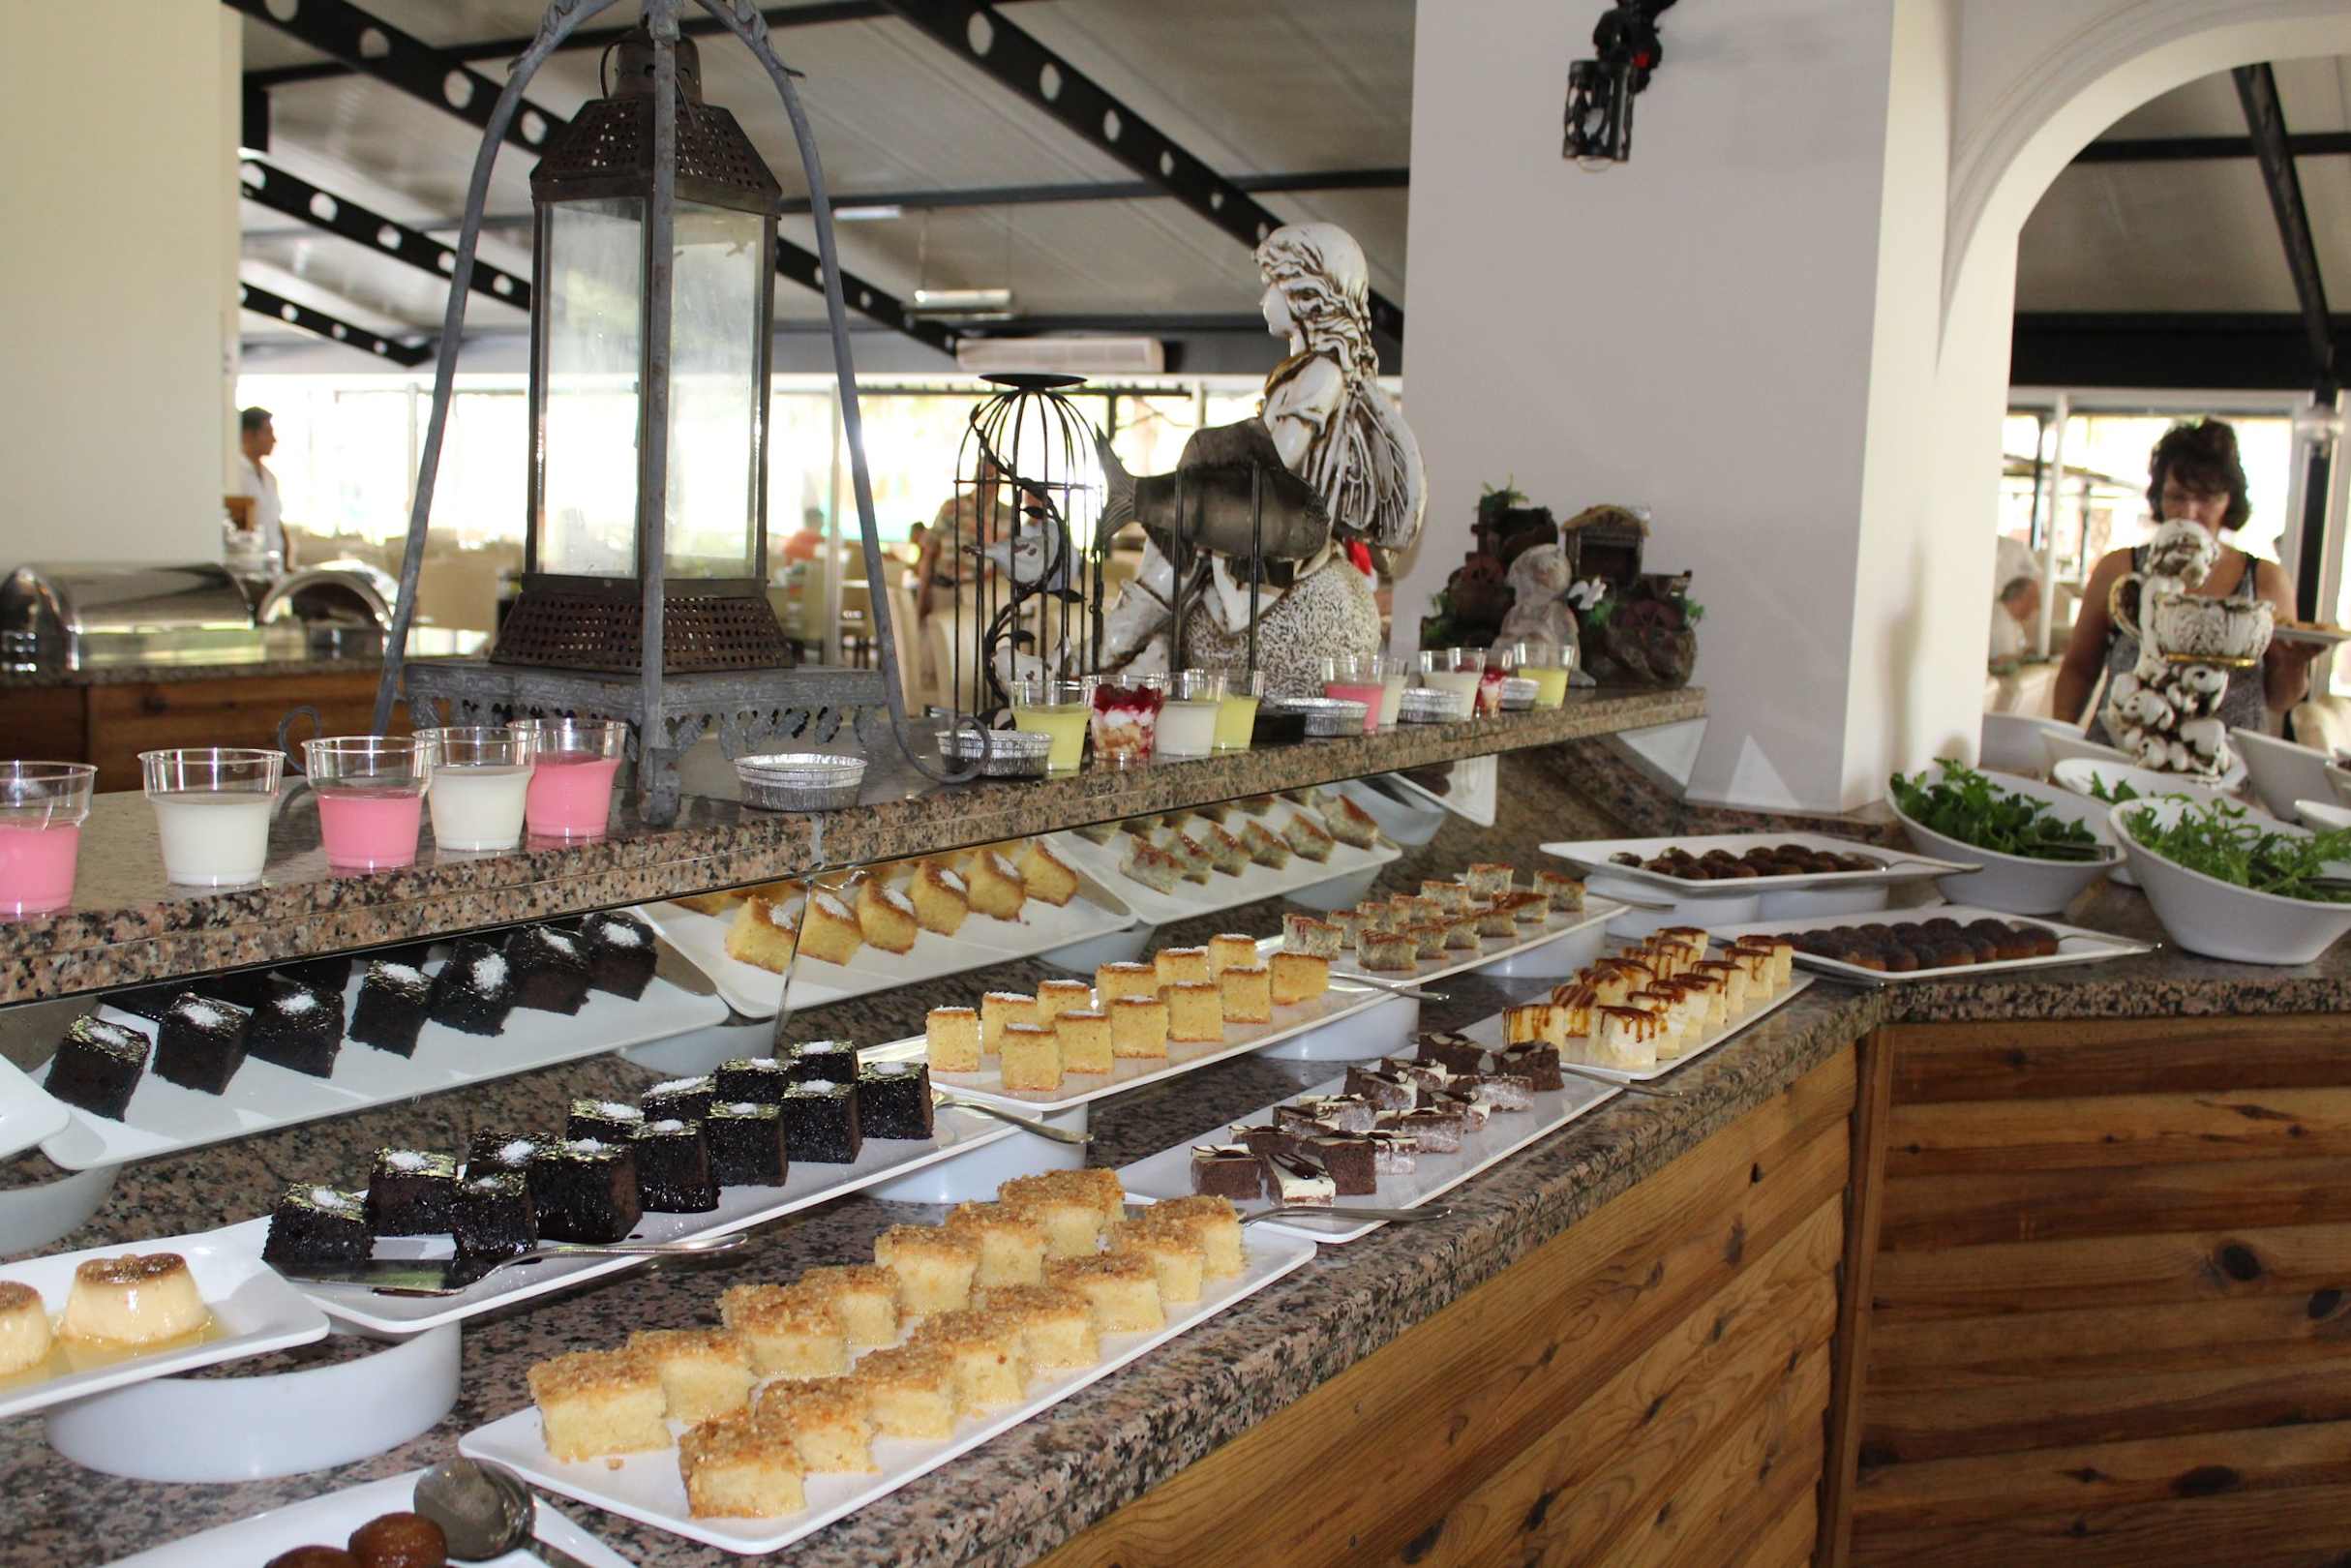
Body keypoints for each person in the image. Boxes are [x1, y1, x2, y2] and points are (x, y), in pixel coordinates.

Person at [2057, 419, 2322, 739]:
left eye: (2206, 498)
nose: (2189, 512)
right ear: (2159, 497)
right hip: (2124, 747)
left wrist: (2295, 664)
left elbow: (2280, 700)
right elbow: (2079, 669)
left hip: (2224, 757)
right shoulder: (2119, 568)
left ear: (2229, 500)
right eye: (2177, 496)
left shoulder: (2266, 579)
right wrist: (2061, 739)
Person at [233, 407, 286, 568]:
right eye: (268, 433)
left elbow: (274, 522)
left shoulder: (269, 478)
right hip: (248, 566)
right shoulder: (234, 475)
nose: (274, 440)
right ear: (248, 435)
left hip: (273, 565)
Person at [1989, 575, 2038, 666]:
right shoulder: (1999, 620)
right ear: (2020, 599)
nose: (2036, 606)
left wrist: (2028, 652)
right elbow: (2002, 660)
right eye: (2034, 599)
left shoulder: (2013, 620)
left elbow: (2022, 647)